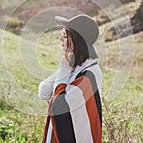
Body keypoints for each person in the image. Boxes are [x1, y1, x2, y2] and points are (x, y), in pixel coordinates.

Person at [38, 14, 103, 143]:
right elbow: (43, 92)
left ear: (77, 40)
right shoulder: (74, 67)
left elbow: (61, 107)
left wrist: (64, 70)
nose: (60, 38)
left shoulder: (90, 74)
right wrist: (65, 68)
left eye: (65, 36)